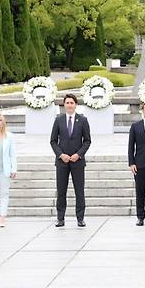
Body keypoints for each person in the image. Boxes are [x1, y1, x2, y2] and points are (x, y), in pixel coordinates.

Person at [50, 93, 91, 227]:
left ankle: (80, 218)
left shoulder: (83, 120)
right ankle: (60, 218)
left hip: (77, 162)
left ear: (76, 105)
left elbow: (87, 141)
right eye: (67, 103)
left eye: (72, 103)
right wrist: (61, 155)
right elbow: (53, 141)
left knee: (79, 191)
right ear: (64, 105)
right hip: (62, 162)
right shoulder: (59, 120)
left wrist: (78, 154)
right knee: (61, 191)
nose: (69, 105)